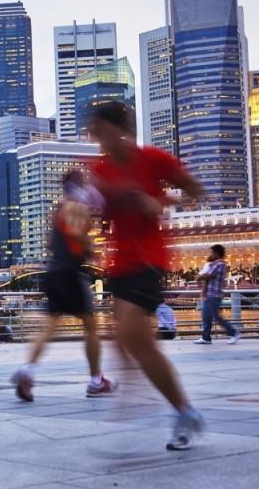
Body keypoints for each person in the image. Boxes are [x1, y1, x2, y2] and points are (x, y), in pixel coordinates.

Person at [88, 100, 207, 451]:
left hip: (149, 259)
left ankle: (180, 410)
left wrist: (160, 201)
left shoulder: (153, 160)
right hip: (120, 264)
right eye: (95, 133)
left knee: (131, 335)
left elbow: (196, 192)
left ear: (121, 130)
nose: (99, 139)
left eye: (102, 131)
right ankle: (178, 407)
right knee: (129, 340)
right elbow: (97, 211)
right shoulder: (100, 169)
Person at [11, 171, 115, 402]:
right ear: (81, 186)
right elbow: (77, 234)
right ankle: (96, 381)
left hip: (53, 271)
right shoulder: (77, 208)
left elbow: (50, 242)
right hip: (71, 272)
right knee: (90, 326)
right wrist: (91, 251)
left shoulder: (58, 209)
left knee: (49, 326)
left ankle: (27, 370)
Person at [194, 245, 241, 345]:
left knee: (216, 316)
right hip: (210, 294)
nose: (210, 254)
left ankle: (233, 332)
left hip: (214, 294)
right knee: (206, 316)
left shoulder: (219, 264)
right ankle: (206, 337)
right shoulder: (216, 264)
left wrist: (199, 277)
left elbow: (208, 275)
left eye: (211, 252)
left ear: (216, 253)